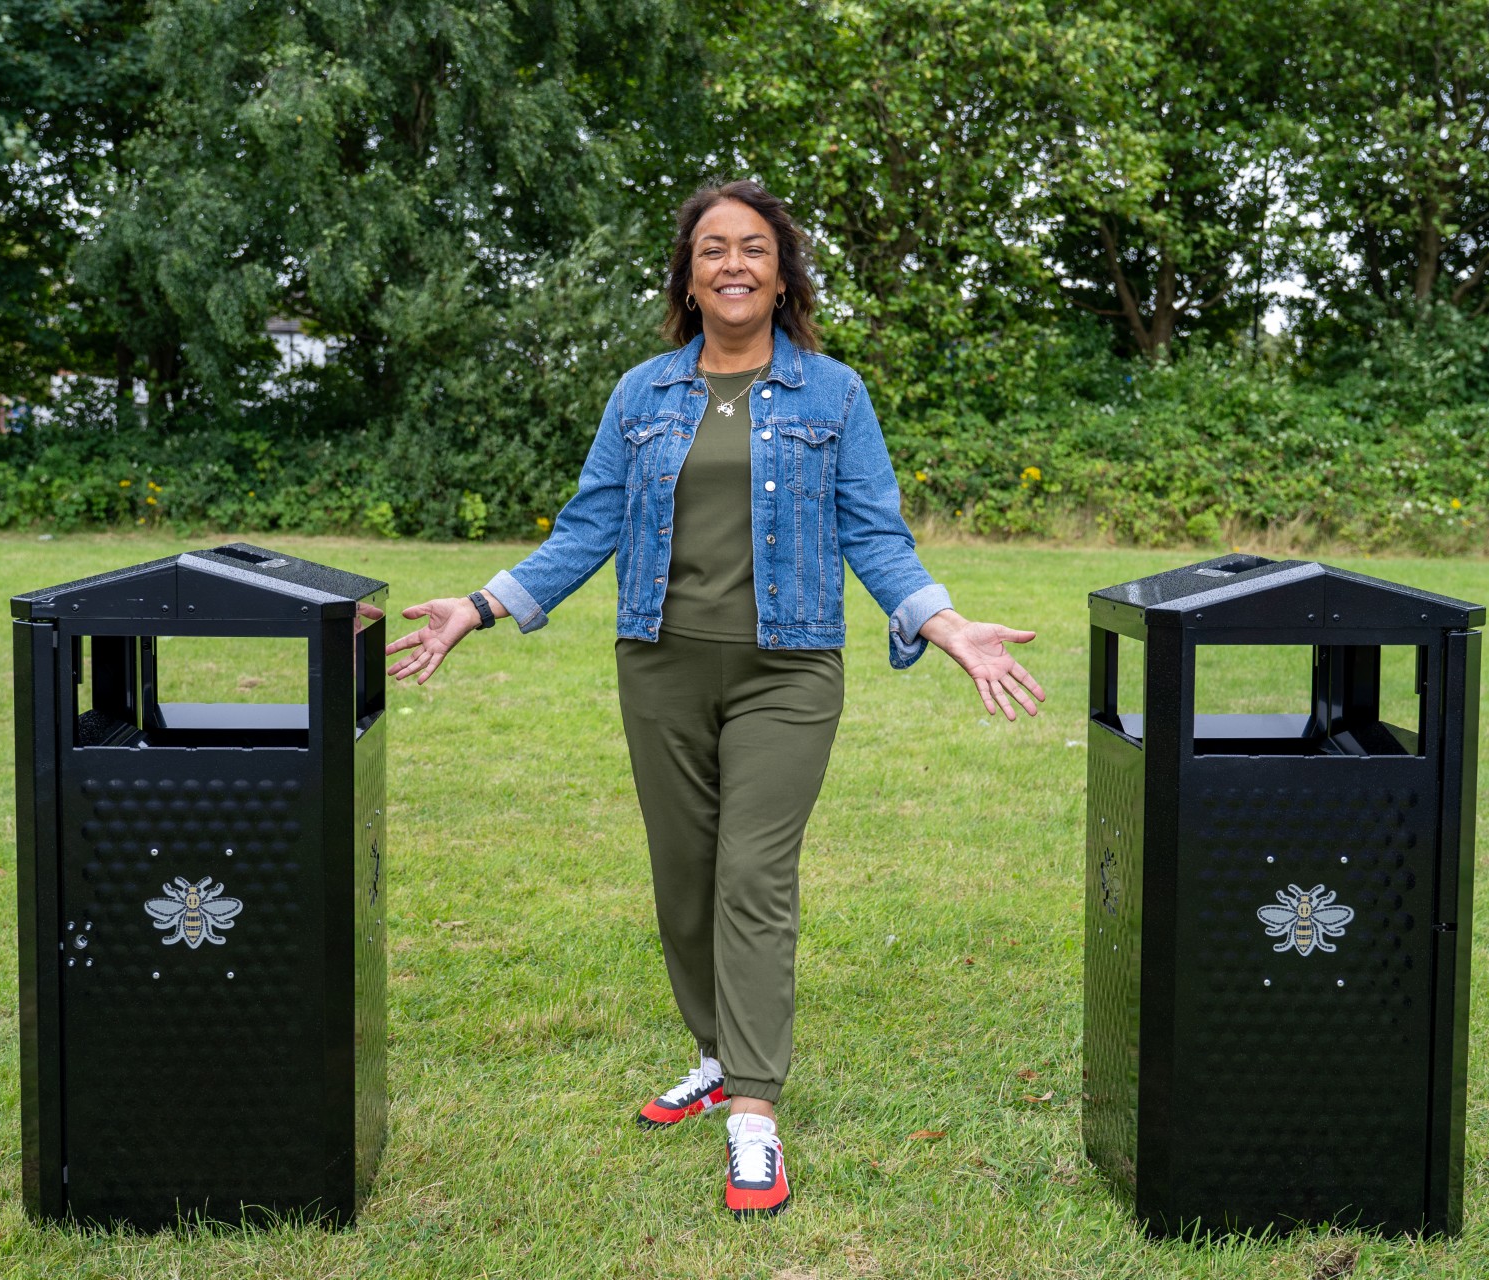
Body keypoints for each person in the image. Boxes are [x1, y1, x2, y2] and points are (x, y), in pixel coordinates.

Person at [373, 180, 1045, 1220]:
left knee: (751, 877)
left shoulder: (833, 393)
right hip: (660, 663)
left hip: (790, 669)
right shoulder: (644, 392)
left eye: (755, 250)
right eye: (713, 249)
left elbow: (875, 531)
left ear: (784, 276)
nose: (734, 264)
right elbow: (587, 523)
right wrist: (481, 604)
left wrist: (944, 624)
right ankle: (713, 1049)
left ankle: (754, 1109)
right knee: (683, 881)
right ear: (689, 276)